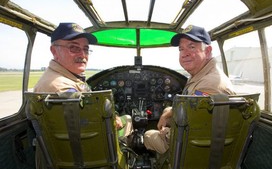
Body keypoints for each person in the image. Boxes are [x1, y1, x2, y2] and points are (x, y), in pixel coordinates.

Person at [143, 25, 235, 154]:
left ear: (207, 51)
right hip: (197, 142)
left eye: (192, 47)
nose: (184, 53)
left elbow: (193, 132)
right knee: (167, 110)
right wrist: (167, 113)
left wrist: (166, 132)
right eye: (181, 49)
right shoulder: (200, 76)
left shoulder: (210, 84)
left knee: (148, 135)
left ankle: (161, 168)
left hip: (190, 153)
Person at [34, 22, 132, 138]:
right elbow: (91, 124)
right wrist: (113, 119)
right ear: (54, 51)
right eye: (74, 48)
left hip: (75, 142)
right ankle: (123, 150)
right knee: (128, 119)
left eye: (86, 49)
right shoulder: (61, 87)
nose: (83, 55)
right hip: (88, 146)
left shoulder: (70, 78)